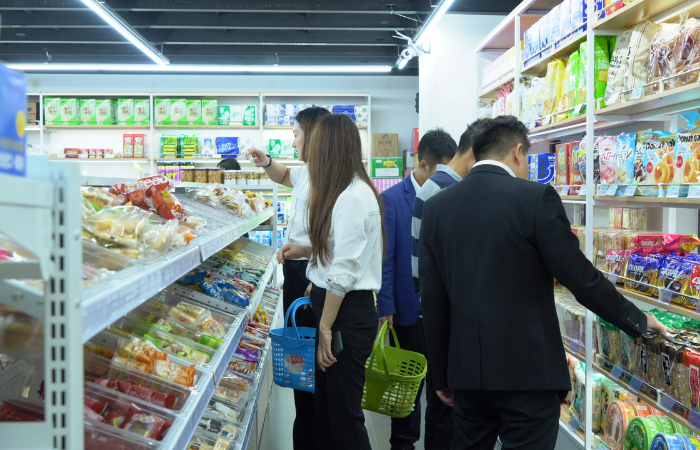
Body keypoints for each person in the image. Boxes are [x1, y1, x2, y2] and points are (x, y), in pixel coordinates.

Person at [418, 115, 667, 450]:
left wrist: (442, 374)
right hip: (529, 376)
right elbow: (581, 278)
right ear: (518, 152)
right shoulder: (535, 198)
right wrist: (637, 319)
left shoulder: (436, 208)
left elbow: (433, 302)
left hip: (468, 375)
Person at [277, 114, 383, 450]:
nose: (306, 149)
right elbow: (339, 249)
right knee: (325, 413)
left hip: (344, 316)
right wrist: (310, 251)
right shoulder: (341, 192)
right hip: (335, 308)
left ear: (330, 149)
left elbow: (344, 271)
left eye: (315, 142)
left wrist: (324, 329)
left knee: (343, 420)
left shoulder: (352, 196)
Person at [247, 106, 330, 450]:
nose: (292, 139)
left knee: (312, 356)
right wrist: (265, 161)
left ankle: (315, 429)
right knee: (299, 350)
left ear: (313, 134)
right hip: (297, 269)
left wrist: (317, 272)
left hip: (313, 272)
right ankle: (306, 427)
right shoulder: (308, 171)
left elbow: (337, 238)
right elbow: (283, 176)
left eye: (296, 132)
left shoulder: (330, 177)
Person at [377, 128, 456, 450]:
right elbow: (386, 258)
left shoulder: (450, 197)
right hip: (406, 312)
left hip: (442, 315)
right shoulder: (393, 199)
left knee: (443, 393)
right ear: (423, 166)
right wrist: (386, 308)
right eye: (442, 171)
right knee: (406, 392)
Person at [409, 124, 479, 450]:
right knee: (446, 410)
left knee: (441, 408)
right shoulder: (445, 192)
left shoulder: (434, 188)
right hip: (445, 318)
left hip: (435, 314)